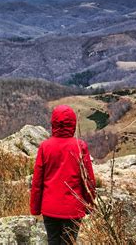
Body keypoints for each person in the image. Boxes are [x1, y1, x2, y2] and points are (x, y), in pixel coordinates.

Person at [30, 105, 96, 245]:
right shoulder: (80, 146)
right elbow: (88, 180)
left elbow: (37, 182)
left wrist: (35, 208)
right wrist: (90, 204)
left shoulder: (45, 147)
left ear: (53, 123)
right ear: (73, 124)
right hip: (73, 209)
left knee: (53, 241)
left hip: (50, 208)